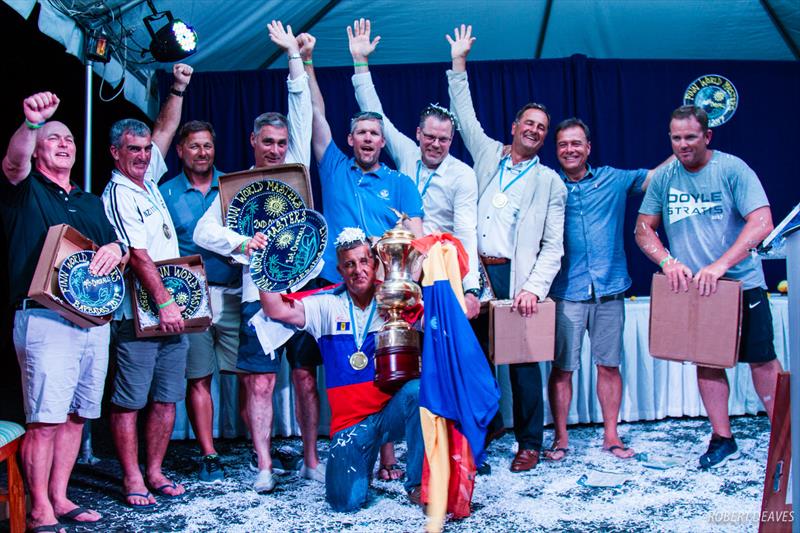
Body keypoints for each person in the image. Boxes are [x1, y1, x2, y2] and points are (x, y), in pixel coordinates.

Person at [192, 21, 324, 492]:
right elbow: (203, 230)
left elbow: (302, 110)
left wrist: (295, 59)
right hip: (256, 297)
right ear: (253, 143)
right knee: (260, 385)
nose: (274, 149)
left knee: (307, 380)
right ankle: (265, 465)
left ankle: (311, 460)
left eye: (280, 142)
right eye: (267, 142)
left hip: (306, 291)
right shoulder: (237, 186)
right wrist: (243, 244)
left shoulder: (297, 170)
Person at [1, 92, 128, 532]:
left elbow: (118, 248)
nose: (64, 144)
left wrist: (117, 249)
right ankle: (38, 508)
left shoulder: (91, 201)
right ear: (38, 147)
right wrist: (33, 123)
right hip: (44, 318)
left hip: (92, 322)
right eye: (53, 138)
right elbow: (14, 162)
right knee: (45, 419)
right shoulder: (24, 189)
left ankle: (59, 495)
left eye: (69, 138)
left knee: (77, 415)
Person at [302, 27, 425, 476]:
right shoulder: (332, 165)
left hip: (382, 294)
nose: (370, 138)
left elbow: (418, 237)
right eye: (362, 132)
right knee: (317, 373)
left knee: (384, 369)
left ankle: (388, 456)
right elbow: (317, 115)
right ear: (351, 140)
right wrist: (308, 61)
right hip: (331, 287)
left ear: (382, 140)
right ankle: (320, 456)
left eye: (376, 132)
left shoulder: (401, 183)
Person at [446, 25, 566, 472]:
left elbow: (553, 246)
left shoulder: (550, 182)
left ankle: (529, 442)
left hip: (517, 277)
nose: (533, 131)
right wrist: (459, 63)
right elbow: (464, 111)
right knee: (474, 358)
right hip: (475, 272)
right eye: (528, 124)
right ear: (514, 127)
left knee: (523, 364)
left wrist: (534, 287)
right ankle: (487, 424)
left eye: (541, 128)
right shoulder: (486, 153)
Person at [636, 105, 782, 469]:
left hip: (741, 285)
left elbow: (762, 222)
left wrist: (721, 265)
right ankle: (722, 437)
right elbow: (643, 229)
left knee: (762, 360)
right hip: (696, 291)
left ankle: (788, 434)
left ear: (707, 136)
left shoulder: (732, 169)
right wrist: (667, 262)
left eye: (690, 137)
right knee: (707, 363)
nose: (683, 144)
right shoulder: (665, 176)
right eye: (676, 137)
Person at [260, 227, 423, 511]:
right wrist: (266, 258)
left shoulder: (393, 303)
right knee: (343, 503)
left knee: (420, 392)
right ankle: (363, 461)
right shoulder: (326, 305)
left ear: (375, 264)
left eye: (363, 262)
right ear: (340, 269)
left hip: (388, 415)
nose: (357, 270)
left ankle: (419, 484)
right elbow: (276, 310)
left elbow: (434, 321)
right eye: (349, 264)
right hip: (351, 426)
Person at [545, 118, 671, 462]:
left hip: (610, 289)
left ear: (588, 147)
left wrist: (681, 147)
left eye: (576, 144)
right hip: (565, 292)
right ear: (556, 150)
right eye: (563, 145)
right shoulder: (547, 184)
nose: (569, 150)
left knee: (609, 365)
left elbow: (654, 178)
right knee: (562, 369)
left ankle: (611, 436)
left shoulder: (613, 179)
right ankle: (560, 437)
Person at [101, 63, 192, 508]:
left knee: (166, 396)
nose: (142, 154)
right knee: (131, 399)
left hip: (172, 307)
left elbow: (166, 126)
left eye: (144, 149)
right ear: (115, 153)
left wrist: (177, 87)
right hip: (139, 313)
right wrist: (165, 303)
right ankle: (132, 477)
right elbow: (137, 256)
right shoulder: (118, 192)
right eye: (132, 149)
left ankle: (155, 471)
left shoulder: (148, 181)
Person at [347, 18, 481, 319]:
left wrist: (471, 288)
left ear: (452, 139)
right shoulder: (407, 152)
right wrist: (360, 62)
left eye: (443, 139)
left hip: (440, 271)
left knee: (436, 344)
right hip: (395, 266)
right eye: (430, 137)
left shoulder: (463, 175)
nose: (435, 144)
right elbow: (375, 113)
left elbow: (466, 233)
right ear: (418, 134)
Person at [160, 120, 241, 482]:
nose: (202, 152)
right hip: (192, 297)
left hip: (237, 292)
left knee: (251, 375)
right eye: (194, 146)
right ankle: (209, 453)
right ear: (180, 150)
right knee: (199, 378)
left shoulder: (233, 186)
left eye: (208, 145)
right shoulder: (164, 193)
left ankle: (254, 448)